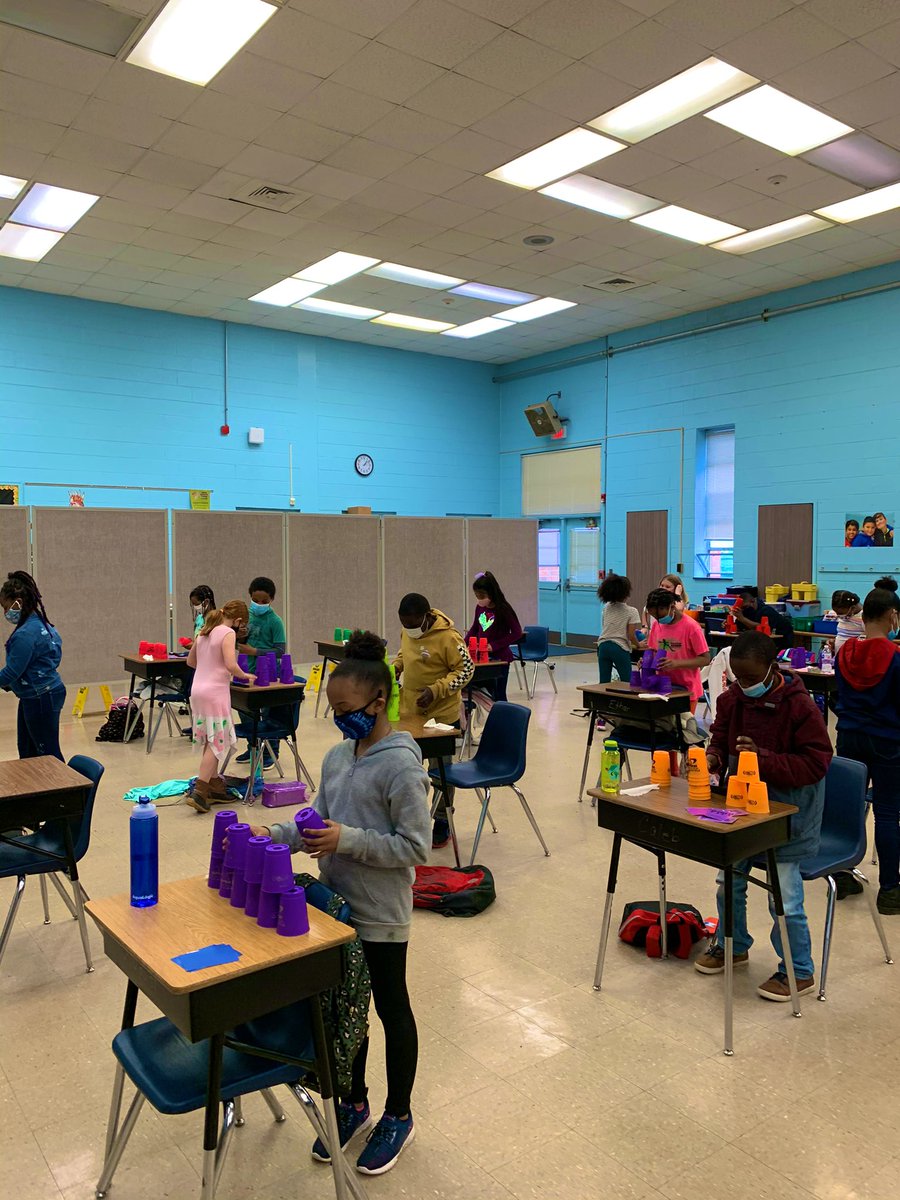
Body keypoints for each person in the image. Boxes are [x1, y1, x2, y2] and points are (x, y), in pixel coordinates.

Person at [250, 631, 430, 1176]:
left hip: (380, 914)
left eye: (347, 709)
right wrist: (272, 835)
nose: (339, 719)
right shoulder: (334, 758)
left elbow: (415, 847)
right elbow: (314, 824)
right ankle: (354, 1103)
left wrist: (346, 840)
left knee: (389, 1008)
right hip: (335, 912)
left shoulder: (401, 765)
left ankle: (398, 1115)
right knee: (344, 1012)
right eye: (332, 710)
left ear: (379, 702)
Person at [696, 631, 832, 999]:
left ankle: (798, 970)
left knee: (784, 897)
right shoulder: (732, 699)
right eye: (739, 678)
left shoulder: (799, 706)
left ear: (773, 668)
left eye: (753, 678)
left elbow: (816, 764)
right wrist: (713, 757)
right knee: (729, 880)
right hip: (741, 808)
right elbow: (720, 738)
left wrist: (763, 758)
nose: (746, 685)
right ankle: (733, 945)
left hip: (789, 814)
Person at [835, 578, 900, 914]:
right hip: (887, 741)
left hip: (848, 736)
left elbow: (837, 695)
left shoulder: (845, 651)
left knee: (850, 807)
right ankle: (889, 890)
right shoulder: (895, 656)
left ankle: (843, 874)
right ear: (892, 615)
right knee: (887, 814)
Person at [394, 592, 473, 849]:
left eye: (412, 624)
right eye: (404, 625)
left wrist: (436, 689)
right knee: (408, 770)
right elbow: (404, 655)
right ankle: (412, 819)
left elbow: (466, 670)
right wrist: (395, 667)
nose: (409, 629)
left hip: (442, 718)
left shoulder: (449, 637)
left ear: (426, 617)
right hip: (412, 714)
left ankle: (441, 820)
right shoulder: (408, 630)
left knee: (440, 772)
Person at [186, 599, 254, 813]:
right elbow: (230, 664)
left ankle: (214, 782)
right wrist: (245, 675)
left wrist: (208, 666)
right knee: (217, 742)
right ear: (239, 620)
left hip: (197, 690)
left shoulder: (204, 631)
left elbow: (191, 662)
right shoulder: (227, 632)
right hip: (215, 692)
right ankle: (200, 790)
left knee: (210, 738)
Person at [0, 571, 66, 760]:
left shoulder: (25, 634)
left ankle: (65, 788)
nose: (5, 613)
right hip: (40, 694)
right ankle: (34, 788)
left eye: (5, 607)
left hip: (41, 697)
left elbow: (12, 672)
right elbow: (47, 660)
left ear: (18, 602)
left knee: (47, 754)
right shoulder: (43, 625)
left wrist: (9, 680)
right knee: (28, 750)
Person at [236, 576, 286, 768]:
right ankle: (253, 747)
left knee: (268, 714)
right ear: (250, 596)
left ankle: (270, 753)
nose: (259, 604)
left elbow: (281, 651)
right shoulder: (246, 617)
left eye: (264, 601)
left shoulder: (275, 621)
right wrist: (238, 637)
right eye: (256, 600)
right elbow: (234, 643)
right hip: (245, 669)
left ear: (271, 600)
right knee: (245, 710)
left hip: (268, 673)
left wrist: (255, 652)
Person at [645, 587, 710, 710]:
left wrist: (676, 663)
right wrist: (646, 661)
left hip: (687, 690)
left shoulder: (691, 627)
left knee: (684, 726)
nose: (659, 620)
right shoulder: (657, 625)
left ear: (672, 607)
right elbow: (653, 650)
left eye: (660, 616)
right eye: (655, 616)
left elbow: (705, 659)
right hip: (663, 687)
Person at [464, 570, 523, 701]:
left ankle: (503, 719)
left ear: (491, 592)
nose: (479, 598)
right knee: (482, 692)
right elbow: (475, 627)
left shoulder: (503, 609)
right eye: (477, 595)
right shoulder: (480, 607)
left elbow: (517, 632)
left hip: (500, 658)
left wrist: (494, 645)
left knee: (499, 695)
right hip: (482, 656)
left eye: (481, 595)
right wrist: (464, 643)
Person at [596, 574, 641, 684]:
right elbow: (631, 635)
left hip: (603, 646)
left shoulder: (606, 607)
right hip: (619, 648)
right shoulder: (632, 611)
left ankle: (603, 701)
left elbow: (605, 627)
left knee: (603, 682)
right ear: (626, 592)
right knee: (627, 681)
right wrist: (639, 645)